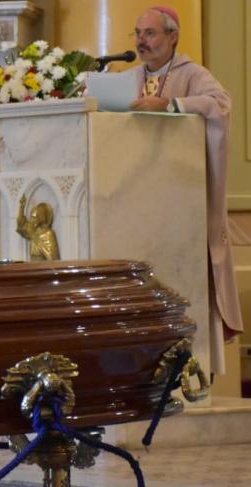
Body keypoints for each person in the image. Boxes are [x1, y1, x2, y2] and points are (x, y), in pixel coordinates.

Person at [127, 6, 243, 373]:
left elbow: (221, 104)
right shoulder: (129, 78)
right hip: (139, 198)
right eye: (138, 33)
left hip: (183, 200)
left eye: (150, 33)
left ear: (173, 36)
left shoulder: (192, 74)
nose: (141, 41)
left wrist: (174, 105)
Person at [16, 194, 60, 261]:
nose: (31, 220)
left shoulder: (49, 234)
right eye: (31, 217)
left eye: (34, 218)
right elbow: (21, 225)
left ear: (41, 217)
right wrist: (22, 207)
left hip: (44, 268)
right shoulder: (34, 231)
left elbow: (52, 258)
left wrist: (36, 239)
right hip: (33, 266)